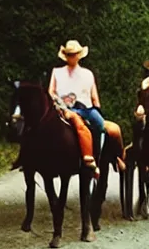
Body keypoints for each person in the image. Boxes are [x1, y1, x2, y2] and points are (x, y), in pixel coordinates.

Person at [48, 40, 124, 177]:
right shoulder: (57, 72)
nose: (72, 57)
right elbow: (51, 92)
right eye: (69, 54)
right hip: (63, 108)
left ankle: (96, 155)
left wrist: (97, 108)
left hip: (86, 108)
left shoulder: (87, 73)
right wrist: (59, 104)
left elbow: (94, 96)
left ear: (79, 55)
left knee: (100, 124)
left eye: (74, 54)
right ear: (66, 56)